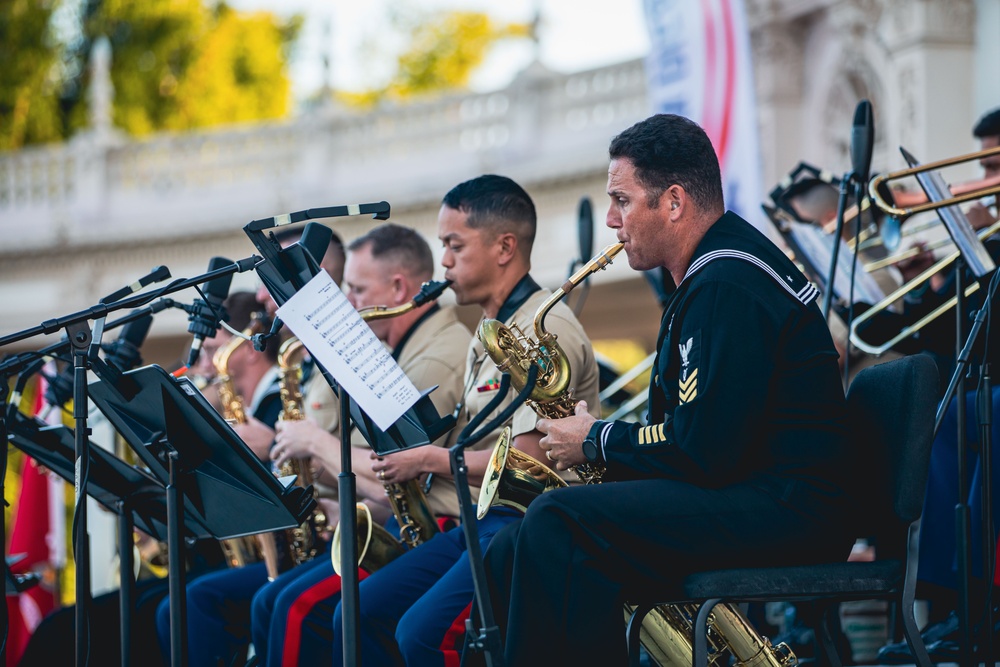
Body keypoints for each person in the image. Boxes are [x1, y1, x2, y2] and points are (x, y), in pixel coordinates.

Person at [482, 114, 858, 666]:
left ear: (674, 202)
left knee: (558, 521)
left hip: (791, 509)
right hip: (761, 491)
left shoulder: (726, 284)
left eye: (622, 200)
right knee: (514, 544)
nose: (611, 220)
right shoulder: (714, 273)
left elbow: (705, 447)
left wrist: (598, 439)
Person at [329, 174, 601, 666]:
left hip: (526, 523)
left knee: (422, 636)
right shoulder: (488, 330)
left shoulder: (545, 326)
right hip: (483, 519)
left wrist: (430, 458)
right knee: (360, 612)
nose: (445, 262)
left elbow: (532, 458)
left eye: (454, 246)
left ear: (504, 247)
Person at [249, 222, 471, 666]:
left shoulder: (434, 358)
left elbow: (402, 476)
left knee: (298, 609)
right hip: (402, 525)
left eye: (355, 289)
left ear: (397, 287)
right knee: (276, 602)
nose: (347, 303)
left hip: (436, 530)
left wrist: (313, 442)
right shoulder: (406, 349)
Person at [877, 106, 1000, 663]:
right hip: (981, 384)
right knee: (946, 411)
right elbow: (946, 333)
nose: (984, 181)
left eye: (993, 166)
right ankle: (949, 604)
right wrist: (925, 282)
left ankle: (979, 606)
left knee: (975, 411)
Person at [154, 290, 283, 666]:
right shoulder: (242, 401)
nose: (205, 366)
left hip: (290, 553)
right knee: (172, 606)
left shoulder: (277, 399)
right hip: (256, 555)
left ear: (251, 347)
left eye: (214, 351)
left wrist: (271, 445)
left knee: (189, 603)